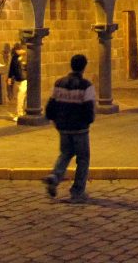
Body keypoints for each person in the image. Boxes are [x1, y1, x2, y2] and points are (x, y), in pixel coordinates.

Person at [41, 54, 96, 203]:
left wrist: (53, 119)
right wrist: (88, 121)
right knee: (83, 159)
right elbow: (89, 108)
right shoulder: (86, 86)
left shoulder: (59, 83)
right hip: (80, 128)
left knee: (65, 153)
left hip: (63, 127)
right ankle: (77, 191)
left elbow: (51, 104)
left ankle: (55, 176)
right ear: (84, 67)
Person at [7, 42, 27, 119]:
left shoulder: (26, 57)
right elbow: (11, 68)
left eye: (21, 49)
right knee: (19, 97)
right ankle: (21, 112)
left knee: (20, 97)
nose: (21, 51)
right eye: (19, 50)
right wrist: (9, 78)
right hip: (18, 79)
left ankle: (19, 114)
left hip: (24, 80)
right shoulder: (14, 57)